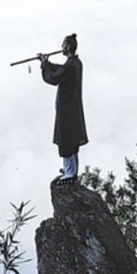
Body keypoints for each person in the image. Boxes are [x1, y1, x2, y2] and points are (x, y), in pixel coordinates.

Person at [38, 34, 88, 185]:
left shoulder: (71, 66)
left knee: (67, 139)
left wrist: (45, 65)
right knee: (71, 140)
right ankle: (70, 169)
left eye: (63, 45)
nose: (61, 48)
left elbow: (53, 77)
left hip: (68, 109)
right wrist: (47, 62)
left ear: (67, 47)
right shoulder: (75, 63)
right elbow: (60, 69)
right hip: (71, 107)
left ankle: (70, 172)